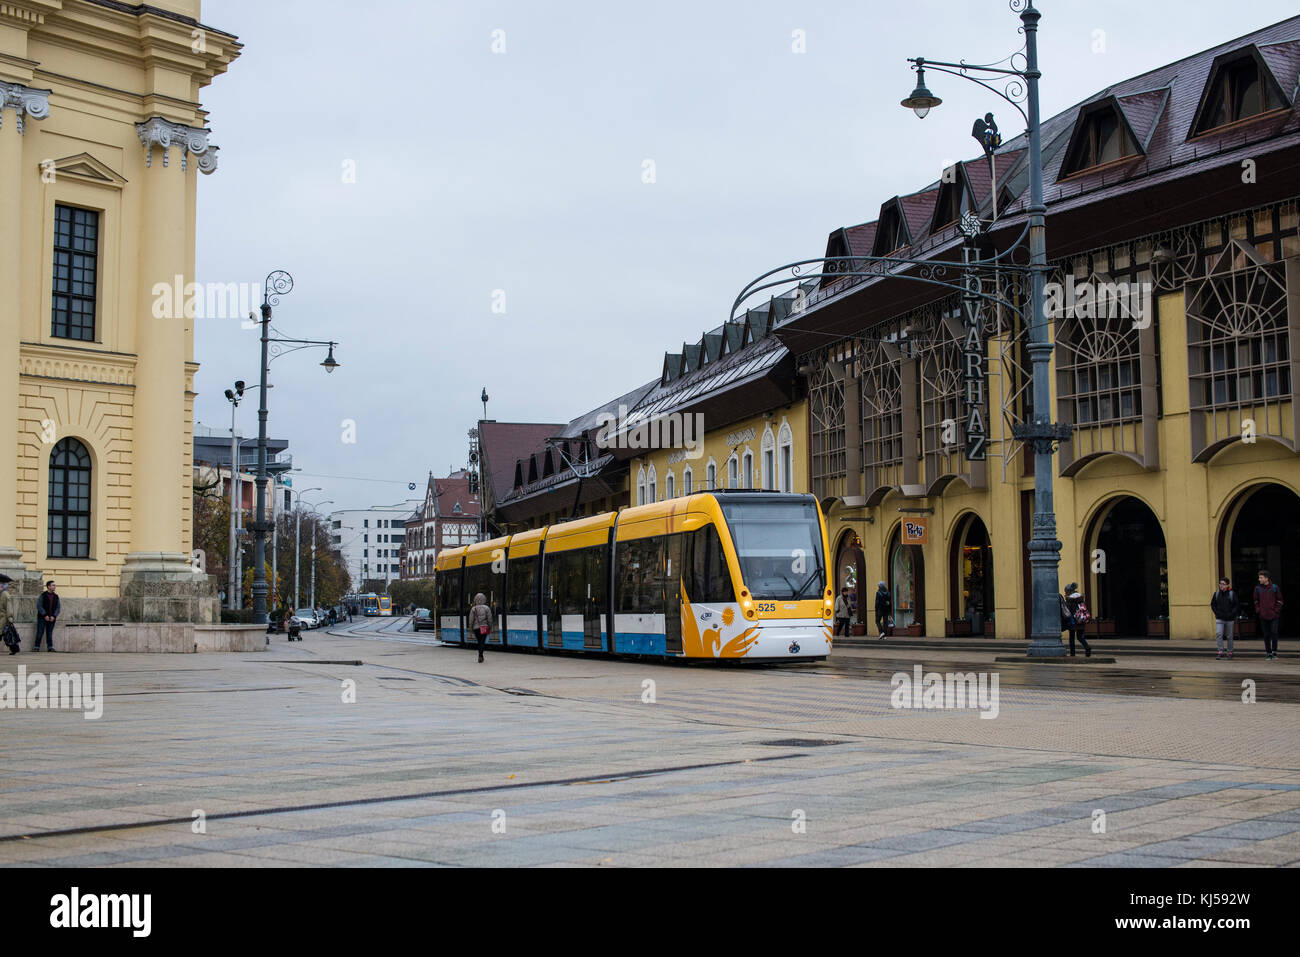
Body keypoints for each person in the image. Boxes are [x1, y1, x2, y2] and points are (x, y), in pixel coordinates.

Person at [1254, 570, 1283, 660]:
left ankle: (1274, 652)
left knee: (1274, 633)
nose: (1259, 579)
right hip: (1263, 615)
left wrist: (1276, 611)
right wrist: (1259, 610)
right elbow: (1256, 601)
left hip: (1274, 615)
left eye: (1261, 577)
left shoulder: (1274, 587)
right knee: (1266, 635)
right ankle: (1268, 652)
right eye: (1259, 577)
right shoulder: (1257, 589)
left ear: (1266, 578)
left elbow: (1280, 600)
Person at [1211, 577, 1239, 660]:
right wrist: (1217, 613)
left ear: (1227, 585)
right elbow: (1213, 605)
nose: (1221, 586)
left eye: (1223, 584)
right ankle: (1220, 651)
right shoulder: (1216, 594)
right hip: (1219, 618)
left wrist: (1231, 614)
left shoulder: (1231, 594)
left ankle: (1230, 652)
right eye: (1220, 584)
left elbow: (1236, 605)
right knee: (1219, 634)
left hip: (1229, 618)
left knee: (1229, 636)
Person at [1062, 582, 1090, 657]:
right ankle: (1087, 648)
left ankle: (1072, 653)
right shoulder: (1080, 598)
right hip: (1081, 619)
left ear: (1068, 591)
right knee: (1080, 637)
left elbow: (1067, 611)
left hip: (1073, 621)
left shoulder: (1070, 600)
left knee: (1072, 638)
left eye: (1066, 592)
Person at [34, 580, 59, 652]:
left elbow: (58, 608)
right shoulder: (43, 595)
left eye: (54, 585)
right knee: (40, 632)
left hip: (52, 618)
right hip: (42, 618)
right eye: (53, 585)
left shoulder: (56, 597)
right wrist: (45, 615)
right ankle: (36, 646)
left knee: (49, 633)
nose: (54, 587)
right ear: (48, 586)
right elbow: (39, 606)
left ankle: (50, 647)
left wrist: (54, 616)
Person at [468, 592, 492, 662]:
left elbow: (471, 620)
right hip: (484, 627)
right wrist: (490, 627)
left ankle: (480, 655)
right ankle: (480, 655)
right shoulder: (487, 608)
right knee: (482, 641)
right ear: (484, 599)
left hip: (476, 628)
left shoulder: (473, 609)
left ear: (475, 600)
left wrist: (470, 628)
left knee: (479, 642)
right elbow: (489, 619)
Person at [0, 575, 16, 656]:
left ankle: (14, 648)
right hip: (1, 617)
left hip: (4, 618)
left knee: (7, 634)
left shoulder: (5, 594)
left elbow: (8, 607)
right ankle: (14, 648)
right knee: (6, 634)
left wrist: (10, 617)